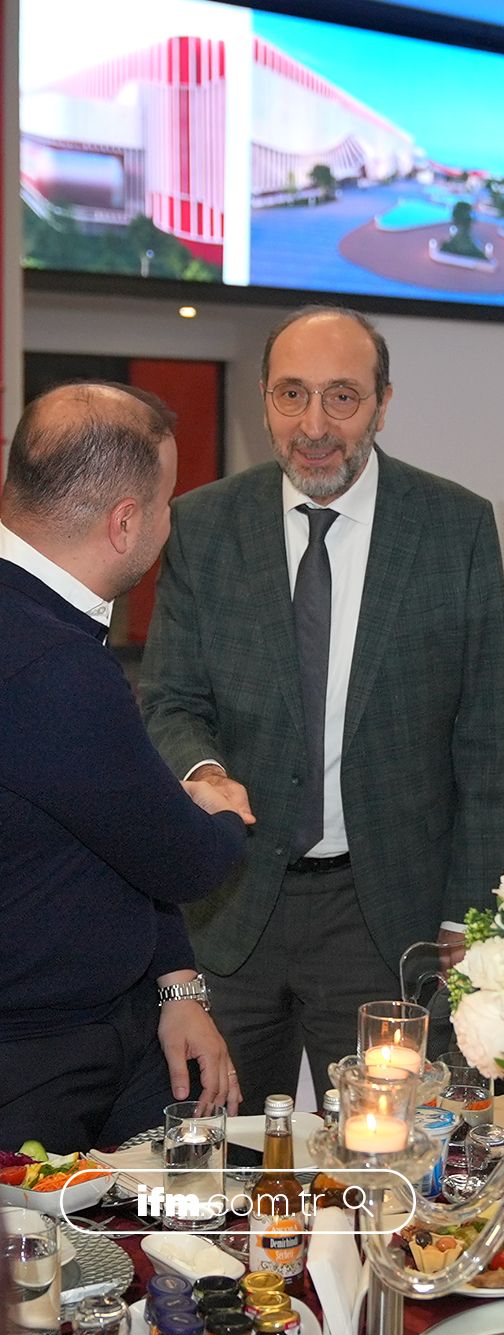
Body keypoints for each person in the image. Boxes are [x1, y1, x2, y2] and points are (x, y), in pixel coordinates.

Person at [140, 305, 504, 1110]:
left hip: (383, 918)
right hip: (230, 908)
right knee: (226, 1155)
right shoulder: (204, 525)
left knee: (381, 1153)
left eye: (342, 397)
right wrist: (202, 771)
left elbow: (486, 743)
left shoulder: (455, 527)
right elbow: (170, 699)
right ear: (265, 401)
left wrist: (468, 916)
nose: (313, 426)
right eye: (292, 394)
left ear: (383, 403)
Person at [0, 382, 253, 1150]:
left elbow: (101, 824)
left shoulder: (32, 617)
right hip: (41, 1055)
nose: (170, 523)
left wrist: (176, 984)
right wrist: (217, 806)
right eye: (167, 503)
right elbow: (182, 860)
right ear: (124, 522)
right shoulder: (53, 663)